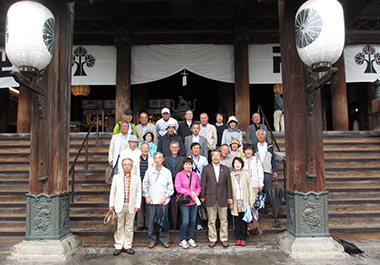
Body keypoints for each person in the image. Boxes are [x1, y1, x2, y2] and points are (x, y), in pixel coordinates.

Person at [200, 150, 233, 248]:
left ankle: (224, 238)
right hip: (210, 197)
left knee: (224, 220)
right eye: (214, 155)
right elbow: (203, 183)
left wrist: (230, 197)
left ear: (220, 157)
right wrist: (203, 196)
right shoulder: (206, 169)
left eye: (217, 155)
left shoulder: (226, 169)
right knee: (211, 220)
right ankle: (212, 238)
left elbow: (228, 185)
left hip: (223, 197)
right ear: (211, 157)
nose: (215, 157)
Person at [109, 158, 141, 255]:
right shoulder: (116, 177)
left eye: (129, 164)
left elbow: (139, 192)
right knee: (119, 226)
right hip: (119, 204)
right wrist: (111, 205)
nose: (127, 166)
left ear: (132, 166)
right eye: (125, 164)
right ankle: (118, 245)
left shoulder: (136, 178)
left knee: (129, 226)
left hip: (131, 204)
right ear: (122, 166)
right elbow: (112, 192)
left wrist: (137, 204)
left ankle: (127, 245)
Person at [143, 152, 174, 249]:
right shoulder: (149, 171)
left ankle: (164, 240)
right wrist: (147, 196)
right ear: (153, 160)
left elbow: (170, 187)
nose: (157, 160)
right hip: (152, 200)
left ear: (162, 160)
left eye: (159, 158)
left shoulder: (167, 171)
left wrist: (165, 196)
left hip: (163, 200)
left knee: (163, 221)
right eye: (155, 158)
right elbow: (145, 184)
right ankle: (152, 240)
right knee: (151, 221)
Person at [175, 157, 202, 249]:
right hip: (185, 201)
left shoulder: (195, 175)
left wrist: (197, 193)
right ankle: (182, 239)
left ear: (191, 165)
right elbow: (178, 188)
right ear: (183, 165)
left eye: (189, 164)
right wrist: (190, 193)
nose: (187, 166)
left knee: (193, 221)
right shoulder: (179, 175)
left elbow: (199, 186)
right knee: (185, 221)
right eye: (186, 164)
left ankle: (191, 238)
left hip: (194, 201)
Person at [229, 157, 255, 247]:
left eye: (239, 163)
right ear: (233, 165)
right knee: (237, 221)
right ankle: (238, 238)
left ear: (242, 164)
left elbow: (250, 188)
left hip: (244, 200)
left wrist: (251, 201)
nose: (237, 165)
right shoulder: (230, 175)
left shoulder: (246, 175)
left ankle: (243, 238)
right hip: (235, 201)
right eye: (235, 163)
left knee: (244, 220)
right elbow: (229, 190)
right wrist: (230, 203)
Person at [254, 129, 278, 214]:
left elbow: (273, 160)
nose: (260, 136)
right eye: (259, 135)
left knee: (268, 189)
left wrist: (274, 171)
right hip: (257, 171)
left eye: (262, 134)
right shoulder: (254, 147)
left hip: (267, 170)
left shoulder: (269, 146)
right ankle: (259, 207)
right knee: (258, 190)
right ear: (256, 137)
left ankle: (269, 208)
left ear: (265, 136)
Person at [163, 141, 184, 229]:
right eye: (173, 147)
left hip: (179, 185)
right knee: (168, 205)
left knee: (179, 204)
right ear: (170, 148)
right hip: (168, 185)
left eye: (176, 147)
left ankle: (179, 223)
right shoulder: (165, 159)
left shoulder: (182, 159)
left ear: (179, 149)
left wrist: (178, 183)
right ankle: (170, 223)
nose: (174, 149)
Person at [188, 142, 208, 230]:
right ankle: (191, 223)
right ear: (191, 150)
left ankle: (199, 223)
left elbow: (206, 171)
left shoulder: (203, 159)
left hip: (200, 184)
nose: (196, 150)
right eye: (194, 148)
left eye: (198, 148)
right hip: (190, 185)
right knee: (191, 204)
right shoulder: (188, 159)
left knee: (199, 204)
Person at [137, 143, 155, 231]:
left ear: (149, 149)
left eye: (147, 148)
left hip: (148, 181)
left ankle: (148, 223)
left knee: (148, 201)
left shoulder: (151, 160)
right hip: (139, 181)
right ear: (140, 149)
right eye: (143, 148)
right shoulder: (137, 159)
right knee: (139, 202)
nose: (145, 150)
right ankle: (140, 223)